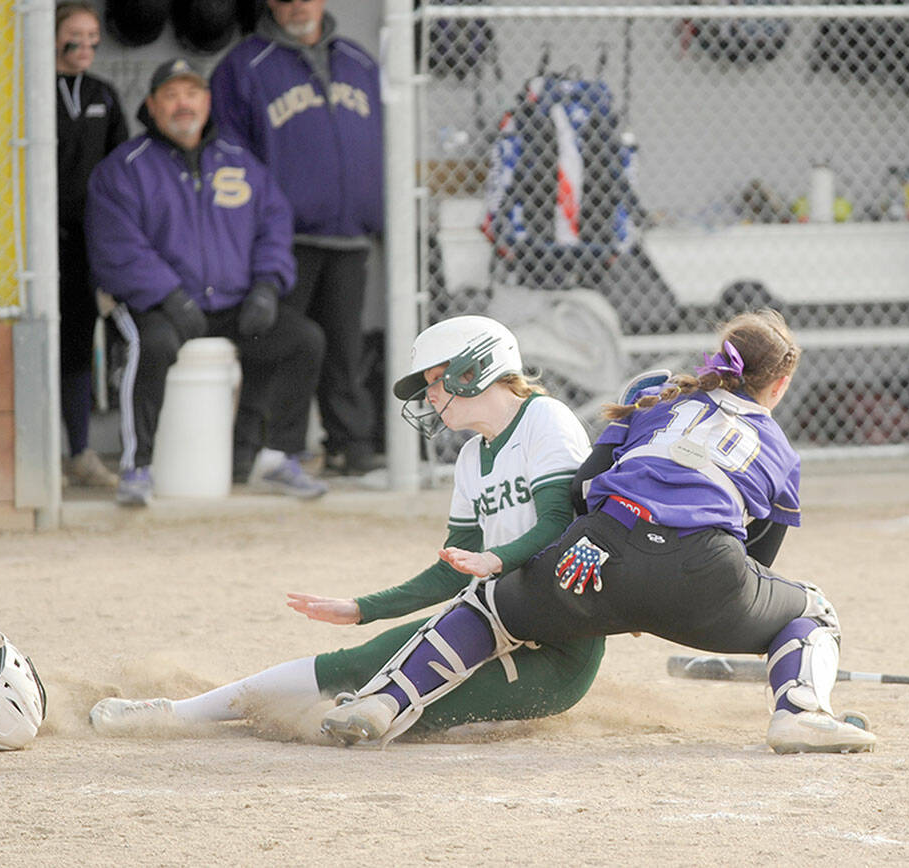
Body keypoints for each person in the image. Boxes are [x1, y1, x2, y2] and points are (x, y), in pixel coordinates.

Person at [323, 309, 878, 755]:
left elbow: (582, 488)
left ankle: (384, 702)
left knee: (491, 605)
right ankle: (801, 713)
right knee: (814, 610)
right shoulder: (781, 450)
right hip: (704, 574)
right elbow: (759, 562)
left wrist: (620, 585)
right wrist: (675, 599)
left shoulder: (658, 401)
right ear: (779, 384)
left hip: (594, 553)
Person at [88, 315, 606, 739]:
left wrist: (494, 561)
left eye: (433, 382)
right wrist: (363, 609)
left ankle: (347, 713)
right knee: (354, 666)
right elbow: (453, 573)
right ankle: (178, 712)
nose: (428, 397)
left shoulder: (545, 419)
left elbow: (562, 525)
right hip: (491, 617)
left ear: (473, 370)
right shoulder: (473, 456)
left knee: (401, 712)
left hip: (559, 643)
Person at [85, 58, 326, 506]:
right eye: (172, 95)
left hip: (232, 303)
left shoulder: (242, 163)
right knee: (152, 347)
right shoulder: (125, 167)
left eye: (192, 93)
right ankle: (138, 468)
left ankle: (277, 457)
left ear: (208, 101)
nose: (183, 104)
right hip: (160, 304)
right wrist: (168, 295)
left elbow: (274, 226)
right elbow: (116, 245)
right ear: (151, 105)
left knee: (302, 340)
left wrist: (267, 286)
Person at [211, 0, 385, 478]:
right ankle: (251, 452)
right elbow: (229, 158)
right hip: (281, 241)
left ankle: (351, 447)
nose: (296, 7)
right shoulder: (243, 65)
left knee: (345, 351)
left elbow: (382, 140)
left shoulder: (360, 60)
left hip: (350, 237)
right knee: (277, 347)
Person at [55, 1, 127, 489]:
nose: (85, 46)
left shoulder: (104, 93)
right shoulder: (31, 87)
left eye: (92, 37)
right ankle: (42, 455)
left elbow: (123, 168)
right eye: (73, 36)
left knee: (79, 344)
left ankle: (80, 452)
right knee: (40, 345)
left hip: (87, 241)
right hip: (40, 241)